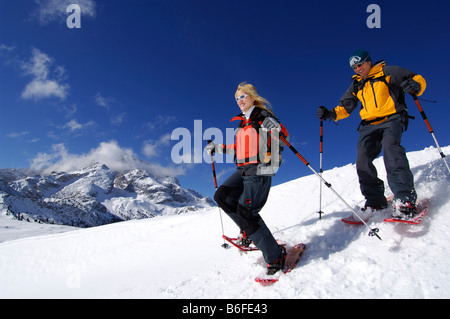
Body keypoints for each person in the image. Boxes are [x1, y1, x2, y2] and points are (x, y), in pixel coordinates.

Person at [317, 49, 426, 218]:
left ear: (368, 61)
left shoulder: (388, 72)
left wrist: (416, 86)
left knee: (391, 151)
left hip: (392, 119)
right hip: (368, 126)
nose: (357, 69)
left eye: (360, 64)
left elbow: (416, 78)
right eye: (354, 67)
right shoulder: (356, 84)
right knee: (362, 159)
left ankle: (405, 200)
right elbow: (345, 107)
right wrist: (330, 114)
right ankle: (375, 201)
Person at [205, 82, 288, 275]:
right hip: (242, 169)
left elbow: (281, 136)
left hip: (259, 168)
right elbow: (237, 148)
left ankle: (276, 256)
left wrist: (274, 150)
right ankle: (247, 230)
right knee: (222, 196)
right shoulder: (243, 123)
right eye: (236, 98)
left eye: (243, 96)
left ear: (252, 97)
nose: (239, 101)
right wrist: (218, 148)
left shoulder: (262, 116)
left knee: (246, 212)